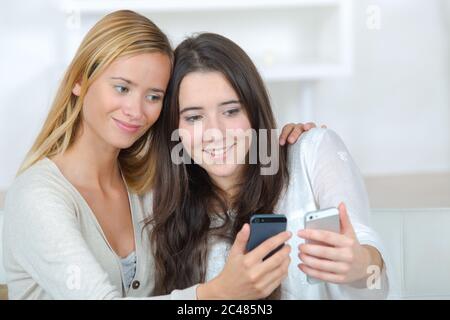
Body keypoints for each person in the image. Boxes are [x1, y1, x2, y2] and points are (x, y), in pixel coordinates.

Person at [2, 10, 313, 299]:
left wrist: (287, 143)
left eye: (153, 96)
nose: (136, 110)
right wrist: (215, 293)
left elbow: (224, 165)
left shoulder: (147, 184)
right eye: (122, 88)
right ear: (80, 82)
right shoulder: (36, 197)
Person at [149, 33, 391, 299]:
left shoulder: (312, 151)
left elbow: (374, 280)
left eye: (230, 111)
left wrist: (359, 267)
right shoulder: (166, 208)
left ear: (254, 112)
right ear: (174, 128)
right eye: (194, 117)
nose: (215, 132)